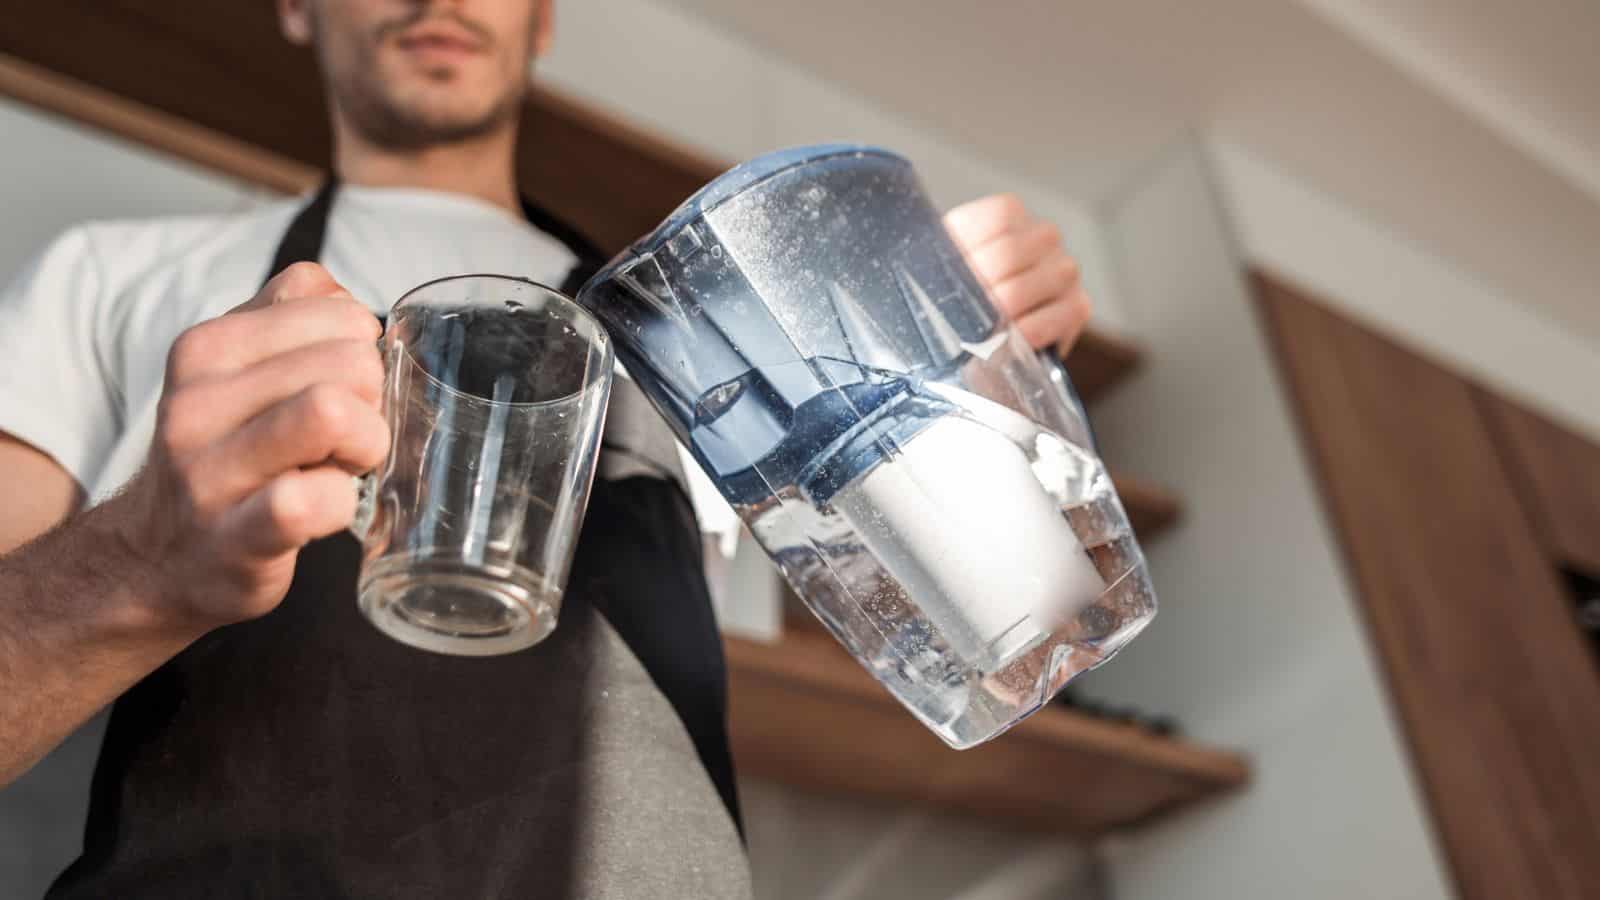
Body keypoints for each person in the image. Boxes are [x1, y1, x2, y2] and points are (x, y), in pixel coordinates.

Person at [0, 0, 1094, 895]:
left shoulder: (717, 336)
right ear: (296, 7)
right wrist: (136, 562)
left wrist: (961, 380)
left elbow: (1002, 642)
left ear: (543, 19)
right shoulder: (113, 279)